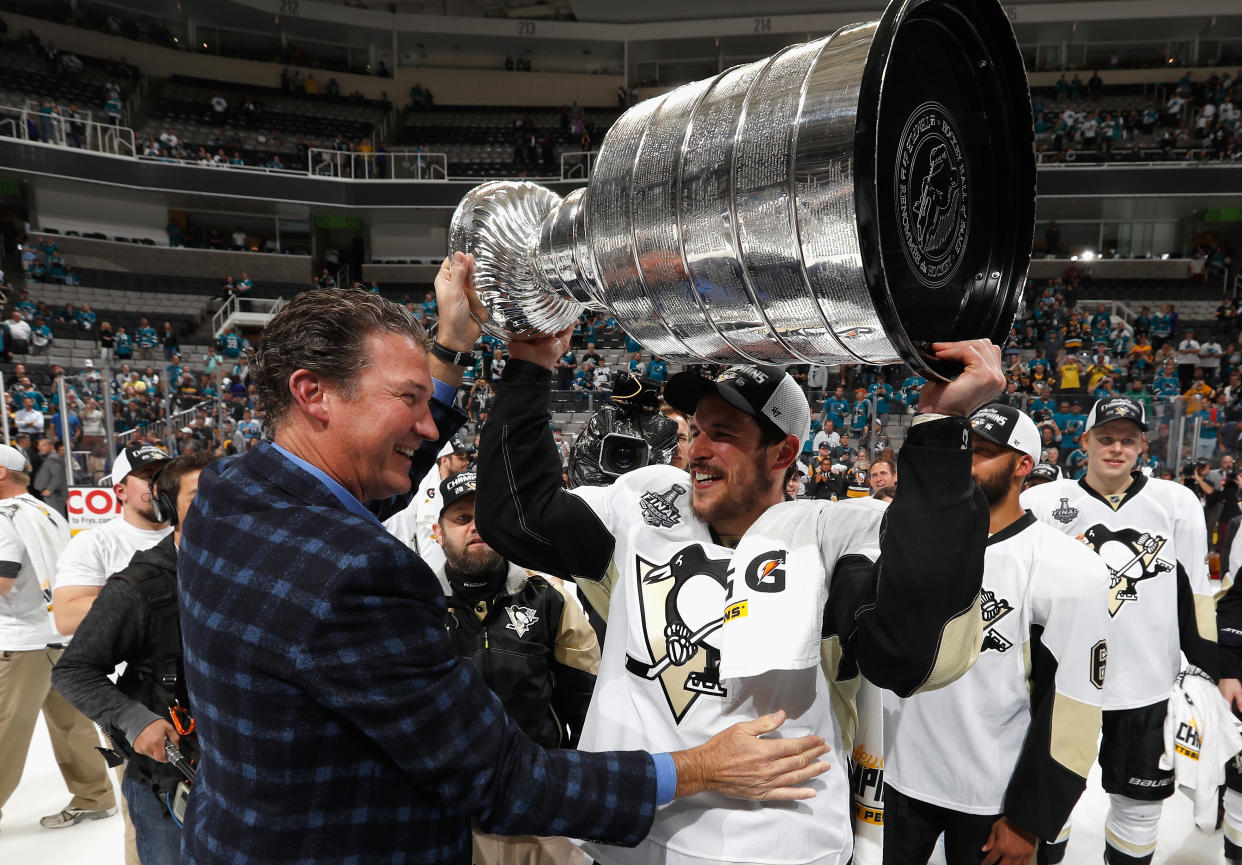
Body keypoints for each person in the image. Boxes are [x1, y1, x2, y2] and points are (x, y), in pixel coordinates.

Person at [176, 263, 828, 865]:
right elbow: (503, 781)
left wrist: (455, 344)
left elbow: (355, 487)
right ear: (313, 392)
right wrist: (699, 767)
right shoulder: (360, 575)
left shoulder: (228, 493)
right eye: (406, 398)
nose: (430, 429)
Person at [475, 332, 1005, 865]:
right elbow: (514, 515)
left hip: (778, 851)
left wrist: (938, 430)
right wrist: (531, 364)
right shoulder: (646, 501)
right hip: (622, 842)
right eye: (698, 430)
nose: (698, 449)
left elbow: (910, 655)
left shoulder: (831, 535)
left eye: (723, 434)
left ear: (784, 452)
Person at [884, 405, 1109, 865]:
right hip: (897, 778)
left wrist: (1030, 818)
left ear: (1023, 465)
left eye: (983, 453)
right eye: (962, 451)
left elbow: (1075, 708)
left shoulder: (1067, 565)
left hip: (991, 798)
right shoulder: (907, 538)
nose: (965, 463)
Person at [1023, 396, 1219, 865]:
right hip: (1061, 684)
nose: (1116, 449)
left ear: (1142, 446)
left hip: (1146, 684)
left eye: (1128, 440)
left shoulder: (1175, 502)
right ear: (1084, 442)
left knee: (1140, 809)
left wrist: (1219, 670)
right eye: (1106, 439)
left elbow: (1197, 592)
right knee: (1046, 803)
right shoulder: (1043, 501)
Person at [52, 453, 211, 865]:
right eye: (200, 497)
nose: (218, 506)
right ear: (168, 506)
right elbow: (74, 668)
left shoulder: (252, 572)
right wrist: (135, 720)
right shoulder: (138, 583)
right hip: (170, 770)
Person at [433, 469, 598, 865]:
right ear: (438, 533)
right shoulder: (414, 605)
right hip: (446, 813)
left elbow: (590, 705)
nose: (476, 526)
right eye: (461, 518)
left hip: (540, 806)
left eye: (486, 514)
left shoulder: (548, 599)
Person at [0, 444, 117, 831]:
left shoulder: (3, 515)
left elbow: (3, 579)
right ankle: (94, 795)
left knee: (5, 730)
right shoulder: (46, 510)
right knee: (71, 723)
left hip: (20, 641)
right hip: (58, 636)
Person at [52, 443, 172, 636]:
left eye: (166, 476)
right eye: (150, 476)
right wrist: (159, 596)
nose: (161, 484)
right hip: (128, 664)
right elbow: (67, 617)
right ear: (120, 491)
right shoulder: (94, 542)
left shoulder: (194, 536)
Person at [383, 437, 470, 573]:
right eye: (460, 458)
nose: (466, 462)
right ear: (444, 460)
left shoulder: (448, 484)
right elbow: (429, 531)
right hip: (405, 557)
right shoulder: (428, 481)